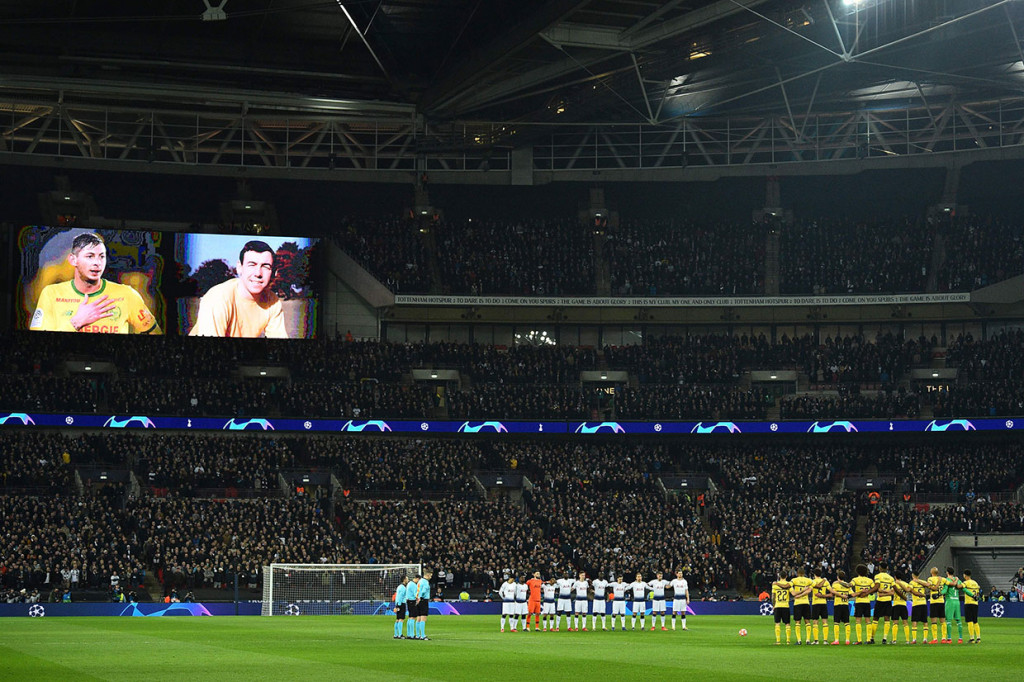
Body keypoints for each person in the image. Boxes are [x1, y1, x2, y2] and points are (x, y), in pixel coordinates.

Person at [30, 232, 161, 334]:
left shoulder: (127, 295)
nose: (97, 263)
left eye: (102, 256)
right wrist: (76, 322)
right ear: (73, 260)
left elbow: (155, 334)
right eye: (90, 256)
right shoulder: (51, 294)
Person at [189, 240, 287, 338]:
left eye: (265, 267)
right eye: (252, 265)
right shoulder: (218, 298)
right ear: (239, 267)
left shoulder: (272, 302)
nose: (258, 273)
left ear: (273, 272)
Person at [913, 567, 946, 643]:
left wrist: (917, 580)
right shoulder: (943, 579)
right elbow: (950, 584)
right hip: (941, 601)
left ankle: (935, 639)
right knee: (942, 621)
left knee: (934, 621)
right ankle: (944, 638)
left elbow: (928, 585)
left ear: (931, 572)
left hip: (934, 602)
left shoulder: (930, 579)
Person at [868, 561, 895, 644]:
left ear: (880, 568)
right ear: (886, 568)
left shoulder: (877, 576)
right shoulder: (891, 578)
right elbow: (893, 591)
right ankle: (884, 638)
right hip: (888, 601)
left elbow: (877, 588)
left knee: (875, 618)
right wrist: (887, 592)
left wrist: (882, 592)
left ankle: (872, 638)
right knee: (887, 619)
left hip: (880, 600)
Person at [850, 564, 875, 645]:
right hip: (867, 602)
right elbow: (874, 589)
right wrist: (867, 592)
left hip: (859, 602)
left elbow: (850, 585)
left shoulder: (855, 580)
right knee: (868, 621)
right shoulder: (870, 580)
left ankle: (859, 640)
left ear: (857, 571)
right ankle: (868, 640)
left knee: (858, 621)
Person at [789, 566, 814, 645]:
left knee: (797, 622)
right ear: (804, 573)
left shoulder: (794, 580)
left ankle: (799, 640)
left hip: (797, 603)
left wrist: (798, 595)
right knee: (807, 621)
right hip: (806, 602)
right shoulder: (808, 580)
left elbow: (790, 588)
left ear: (797, 573)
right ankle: (808, 640)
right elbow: (810, 590)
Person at [940, 567, 964, 643]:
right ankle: (960, 638)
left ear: (947, 572)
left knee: (948, 621)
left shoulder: (947, 580)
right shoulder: (958, 580)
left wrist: (939, 593)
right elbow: (963, 588)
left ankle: (949, 639)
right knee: (959, 621)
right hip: (957, 601)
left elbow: (945, 590)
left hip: (949, 601)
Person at [829, 570, 852, 645]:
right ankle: (847, 640)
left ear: (837, 577)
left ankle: (836, 640)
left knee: (836, 622)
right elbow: (851, 594)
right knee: (847, 622)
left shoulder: (835, 584)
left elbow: (832, 593)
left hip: (838, 604)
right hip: (845, 604)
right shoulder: (847, 585)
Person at [907, 570, 929, 644]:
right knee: (925, 621)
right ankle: (925, 639)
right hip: (923, 603)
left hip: (916, 604)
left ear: (913, 575)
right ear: (919, 575)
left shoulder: (911, 583)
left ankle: (914, 639)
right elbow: (928, 585)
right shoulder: (923, 582)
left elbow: (910, 590)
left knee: (914, 621)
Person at [809, 568, 830, 645]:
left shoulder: (813, 582)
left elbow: (809, 590)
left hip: (815, 603)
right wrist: (824, 595)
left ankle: (816, 640)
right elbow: (831, 593)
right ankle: (825, 640)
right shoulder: (826, 582)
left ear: (814, 575)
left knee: (815, 622)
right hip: (823, 603)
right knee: (825, 622)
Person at [772, 571, 793, 645]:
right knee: (787, 623)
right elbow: (792, 593)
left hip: (778, 605)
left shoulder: (774, 585)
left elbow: (773, 596)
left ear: (779, 576)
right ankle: (788, 641)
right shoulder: (789, 584)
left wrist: (773, 605)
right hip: (786, 605)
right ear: (786, 576)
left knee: (777, 623)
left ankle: (778, 641)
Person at [890, 571, 910, 644]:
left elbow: (892, 592)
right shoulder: (905, 584)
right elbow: (908, 591)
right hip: (903, 605)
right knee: (905, 623)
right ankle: (907, 640)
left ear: (895, 577)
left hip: (896, 604)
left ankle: (894, 640)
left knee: (895, 623)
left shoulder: (894, 584)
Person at [962, 569, 981, 643]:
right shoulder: (975, 583)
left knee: (969, 621)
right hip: (975, 603)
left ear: (965, 575)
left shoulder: (966, 583)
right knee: (975, 621)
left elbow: (961, 587)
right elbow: (978, 593)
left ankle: (972, 638)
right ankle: (978, 638)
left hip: (968, 603)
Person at [414, 569, 432, 640]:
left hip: (418, 600)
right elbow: (424, 591)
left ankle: (418, 635)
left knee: (418, 618)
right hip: (423, 600)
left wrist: (417, 598)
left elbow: (417, 591)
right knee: (423, 617)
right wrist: (420, 597)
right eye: (430, 575)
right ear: (427, 575)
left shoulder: (419, 581)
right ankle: (423, 635)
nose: (431, 577)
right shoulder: (425, 582)